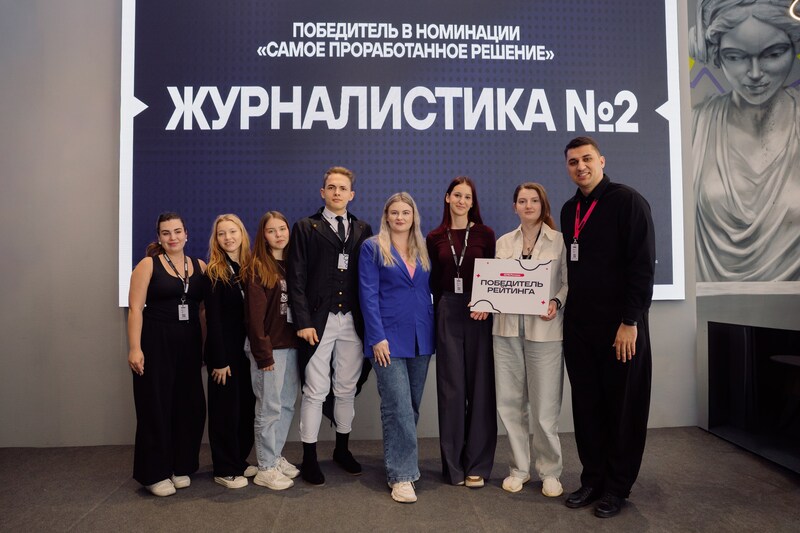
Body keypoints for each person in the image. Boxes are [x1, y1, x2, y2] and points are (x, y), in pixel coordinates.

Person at [559, 137, 655, 518]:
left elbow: (642, 266)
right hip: (580, 328)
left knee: (622, 408)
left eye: (586, 159)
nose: (580, 166)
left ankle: (617, 487)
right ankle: (593, 479)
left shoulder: (628, 202)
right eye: (573, 162)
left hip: (621, 328)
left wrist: (630, 321)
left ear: (601, 160)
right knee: (587, 408)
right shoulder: (569, 210)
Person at [690, 0, 800, 281]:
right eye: (735, 57)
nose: (755, 73)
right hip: (708, 304)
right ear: (714, 54)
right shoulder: (695, 126)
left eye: (773, 54)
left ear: (794, 46)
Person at [287, 166, 373, 486]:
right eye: (332, 187)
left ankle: (341, 450)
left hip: (352, 320)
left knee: (346, 388)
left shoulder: (363, 228)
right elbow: (295, 278)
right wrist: (303, 322)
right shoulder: (305, 227)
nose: (337, 192)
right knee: (314, 390)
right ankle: (309, 457)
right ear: (323, 192)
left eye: (343, 188)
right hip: (317, 322)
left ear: (352, 194)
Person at [358, 192, 435, 504]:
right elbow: (367, 294)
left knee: (411, 406)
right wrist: (376, 337)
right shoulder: (373, 247)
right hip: (387, 339)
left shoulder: (424, 248)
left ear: (414, 216)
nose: (400, 217)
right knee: (398, 406)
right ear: (386, 216)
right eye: (395, 212)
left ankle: (399, 461)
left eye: (406, 212)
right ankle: (402, 476)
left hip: (421, 336)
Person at [492, 183, 568, 498]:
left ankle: (550, 472)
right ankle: (519, 469)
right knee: (510, 404)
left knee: (544, 407)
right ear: (515, 207)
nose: (528, 205)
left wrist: (557, 302)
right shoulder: (503, 242)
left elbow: (567, 283)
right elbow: (495, 284)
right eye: (522, 201)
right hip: (506, 331)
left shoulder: (559, 242)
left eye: (534, 200)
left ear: (543, 205)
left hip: (545, 332)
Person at [127, 212, 206, 497]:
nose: (172, 237)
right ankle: (155, 473)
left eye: (177, 231)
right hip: (156, 343)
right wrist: (135, 348)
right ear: (159, 237)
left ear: (186, 234)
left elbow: (202, 310)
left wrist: (206, 347)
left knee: (189, 407)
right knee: (156, 407)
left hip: (189, 346)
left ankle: (180, 466)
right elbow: (135, 309)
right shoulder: (148, 265)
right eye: (166, 233)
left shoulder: (199, 265)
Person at [426, 176, 497, 488]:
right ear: (447, 198)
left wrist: (487, 302)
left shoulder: (485, 234)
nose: (461, 201)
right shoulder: (434, 237)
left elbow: (494, 274)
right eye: (457, 195)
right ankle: (453, 467)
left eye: (467, 196)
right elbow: (432, 281)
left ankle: (477, 465)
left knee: (481, 388)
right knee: (451, 390)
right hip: (447, 310)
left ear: (473, 202)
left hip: (479, 311)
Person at [242, 211, 301, 490]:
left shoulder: (292, 264)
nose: (278, 234)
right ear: (263, 236)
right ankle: (265, 467)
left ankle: (275, 457)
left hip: (290, 346)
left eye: (282, 228)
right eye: (271, 230)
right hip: (268, 349)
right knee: (268, 408)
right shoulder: (257, 267)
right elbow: (254, 319)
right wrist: (263, 353)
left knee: (286, 405)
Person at [203, 214, 256, 489]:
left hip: (248, 353)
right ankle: (224, 468)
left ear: (242, 234)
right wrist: (219, 360)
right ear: (216, 239)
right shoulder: (214, 272)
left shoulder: (249, 268)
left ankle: (238, 460)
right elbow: (213, 320)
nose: (228, 238)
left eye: (232, 232)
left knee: (246, 409)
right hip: (225, 354)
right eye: (222, 233)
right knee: (225, 411)